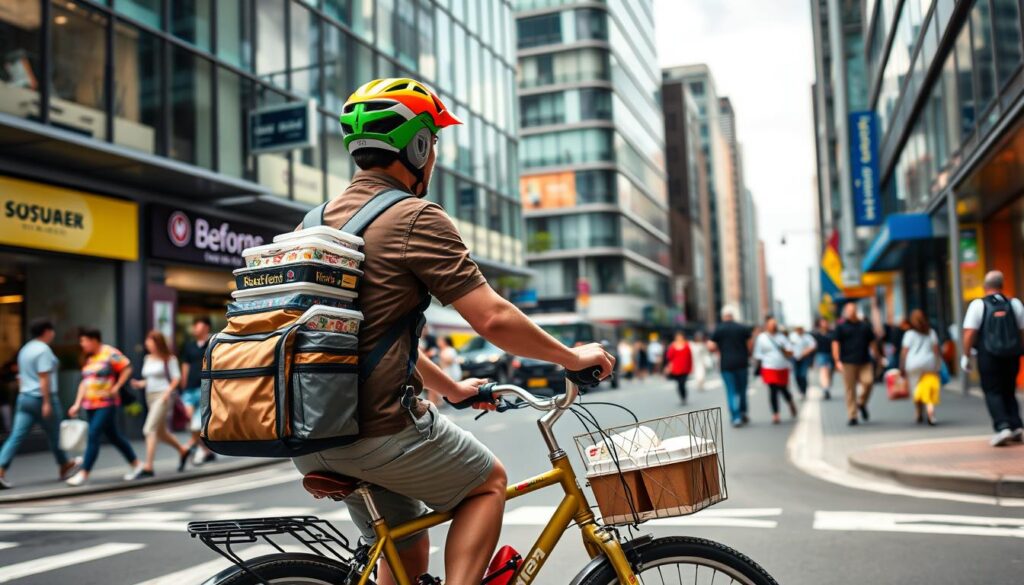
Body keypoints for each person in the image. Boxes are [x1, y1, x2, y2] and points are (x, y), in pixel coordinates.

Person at [289, 77, 614, 585]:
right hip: (375, 431)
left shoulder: (316, 223)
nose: (434, 154)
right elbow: (493, 318)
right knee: (487, 485)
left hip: (310, 432)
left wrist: (454, 389)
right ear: (417, 146)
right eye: (433, 141)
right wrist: (571, 358)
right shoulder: (415, 217)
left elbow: (362, 335)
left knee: (407, 554)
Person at [0, 319, 79, 489]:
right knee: (55, 434)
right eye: (52, 330)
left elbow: (21, 376)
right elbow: (44, 377)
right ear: (47, 332)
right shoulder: (43, 350)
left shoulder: (25, 349)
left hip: (25, 398)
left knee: (16, 436)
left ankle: (1, 467)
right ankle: (65, 464)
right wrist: (47, 402)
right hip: (41, 397)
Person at [65, 328, 142, 486]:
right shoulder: (89, 358)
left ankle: (84, 472)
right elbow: (84, 382)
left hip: (107, 403)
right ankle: (136, 464)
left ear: (94, 340)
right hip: (90, 404)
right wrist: (77, 403)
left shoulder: (109, 353)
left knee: (93, 434)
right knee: (114, 436)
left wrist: (117, 386)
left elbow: (127, 367)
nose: (82, 344)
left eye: (84, 341)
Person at [961, 270, 1024, 446]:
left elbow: (970, 333)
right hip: (1012, 355)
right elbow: (1021, 330)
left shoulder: (978, 305)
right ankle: (1016, 426)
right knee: (1009, 389)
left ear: (985, 287)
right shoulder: (1015, 303)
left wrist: (965, 356)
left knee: (992, 391)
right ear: (1001, 285)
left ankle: (1002, 426)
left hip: (988, 355)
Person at [129, 331, 190, 478]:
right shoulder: (147, 358)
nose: (147, 345)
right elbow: (150, 380)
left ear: (157, 343)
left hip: (163, 397)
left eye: (150, 342)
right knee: (161, 433)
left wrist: (167, 393)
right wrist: (140, 384)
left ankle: (149, 467)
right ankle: (183, 450)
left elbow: (176, 378)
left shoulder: (169, 359)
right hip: (149, 396)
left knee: (149, 429)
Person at [832, 303, 880, 426]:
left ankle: (861, 403)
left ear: (856, 311)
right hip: (848, 362)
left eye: (853, 310)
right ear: (845, 312)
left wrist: (878, 356)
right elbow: (835, 343)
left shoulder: (865, 326)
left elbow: (872, 342)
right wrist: (837, 360)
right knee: (850, 389)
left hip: (865, 361)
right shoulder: (841, 327)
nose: (851, 312)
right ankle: (852, 415)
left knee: (868, 382)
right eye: (848, 310)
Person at [179, 316, 216, 468]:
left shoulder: (213, 343)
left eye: (198, 325)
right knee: (189, 422)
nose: (195, 329)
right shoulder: (189, 346)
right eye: (194, 326)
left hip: (205, 388)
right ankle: (205, 450)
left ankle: (193, 448)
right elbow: (185, 365)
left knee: (197, 425)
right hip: (189, 388)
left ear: (206, 327)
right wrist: (183, 383)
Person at [709, 305, 753, 427]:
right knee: (743, 390)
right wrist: (747, 354)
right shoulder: (742, 328)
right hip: (742, 363)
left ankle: (736, 417)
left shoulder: (719, 329)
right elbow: (750, 344)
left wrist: (720, 348)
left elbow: (711, 346)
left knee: (731, 391)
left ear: (723, 316)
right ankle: (743, 412)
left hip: (726, 364)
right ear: (733, 316)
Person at [900, 310, 941, 426]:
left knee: (916, 389)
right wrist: (938, 364)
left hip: (913, 364)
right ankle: (930, 411)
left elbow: (904, 352)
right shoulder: (931, 332)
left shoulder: (909, 334)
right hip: (929, 363)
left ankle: (918, 413)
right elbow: (936, 350)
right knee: (928, 387)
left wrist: (901, 366)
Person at [754, 317, 797, 424]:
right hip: (768, 367)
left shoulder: (781, 337)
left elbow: (790, 350)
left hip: (782, 366)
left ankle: (790, 401)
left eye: (775, 324)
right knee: (773, 389)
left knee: (783, 389)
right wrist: (759, 364)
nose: (773, 326)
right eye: (771, 324)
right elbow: (758, 353)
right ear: (767, 325)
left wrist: (786, 350)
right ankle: (775, 414)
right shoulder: (762, 338)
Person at [663, 332, 693, 403]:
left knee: (683, 383)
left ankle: (684, 396)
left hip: (685, 368)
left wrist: (691, 367)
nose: (679, 338)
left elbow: (690, 357)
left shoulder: (687, 345)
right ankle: (682, 398)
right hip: (676, 368)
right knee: (679, 384)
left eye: (680, 337)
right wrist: (668, 367)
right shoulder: (672, 346)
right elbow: (669, 357)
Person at [789, 326, 817, 399]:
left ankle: (804, 390)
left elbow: (813, 346)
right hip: (794, 358)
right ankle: (800, 390)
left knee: (803, 375)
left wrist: (805, 352)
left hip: (804, 358)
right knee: (796, 375)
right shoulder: (792, 336)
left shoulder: (807, 337)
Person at [433, 336, 461, 406]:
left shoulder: (449, 350)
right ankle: (437, 402)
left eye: (440, 341)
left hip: (452, 372)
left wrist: (439, 354)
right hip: (446, 372)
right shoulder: (442, 350)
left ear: (444, 342)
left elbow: (449, 361)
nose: (438, 343)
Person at [811, 318, 835, 399]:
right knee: (824, 371)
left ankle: (827, 386)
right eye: (822, 322)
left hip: (831, 354)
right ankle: (825, 389)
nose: (824, 324)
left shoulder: (832, 333)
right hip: (821, 354)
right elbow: (813, 346)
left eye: (826, 322)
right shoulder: (816, 334)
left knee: (830, 373)